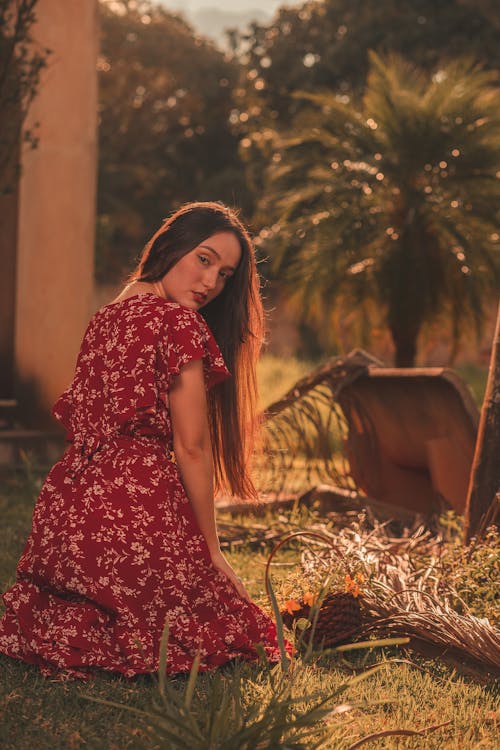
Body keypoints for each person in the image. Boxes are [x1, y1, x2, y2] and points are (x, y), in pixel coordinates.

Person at [0, 201, 289, 681]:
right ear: (171, 245)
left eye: (224, 274)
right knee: (227, 628)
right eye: (204, 258)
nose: (210, 283)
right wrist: (210, 551)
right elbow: (191, 448)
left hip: (65, 519)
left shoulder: (105, 317)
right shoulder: (178, 324)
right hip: (136, 514)